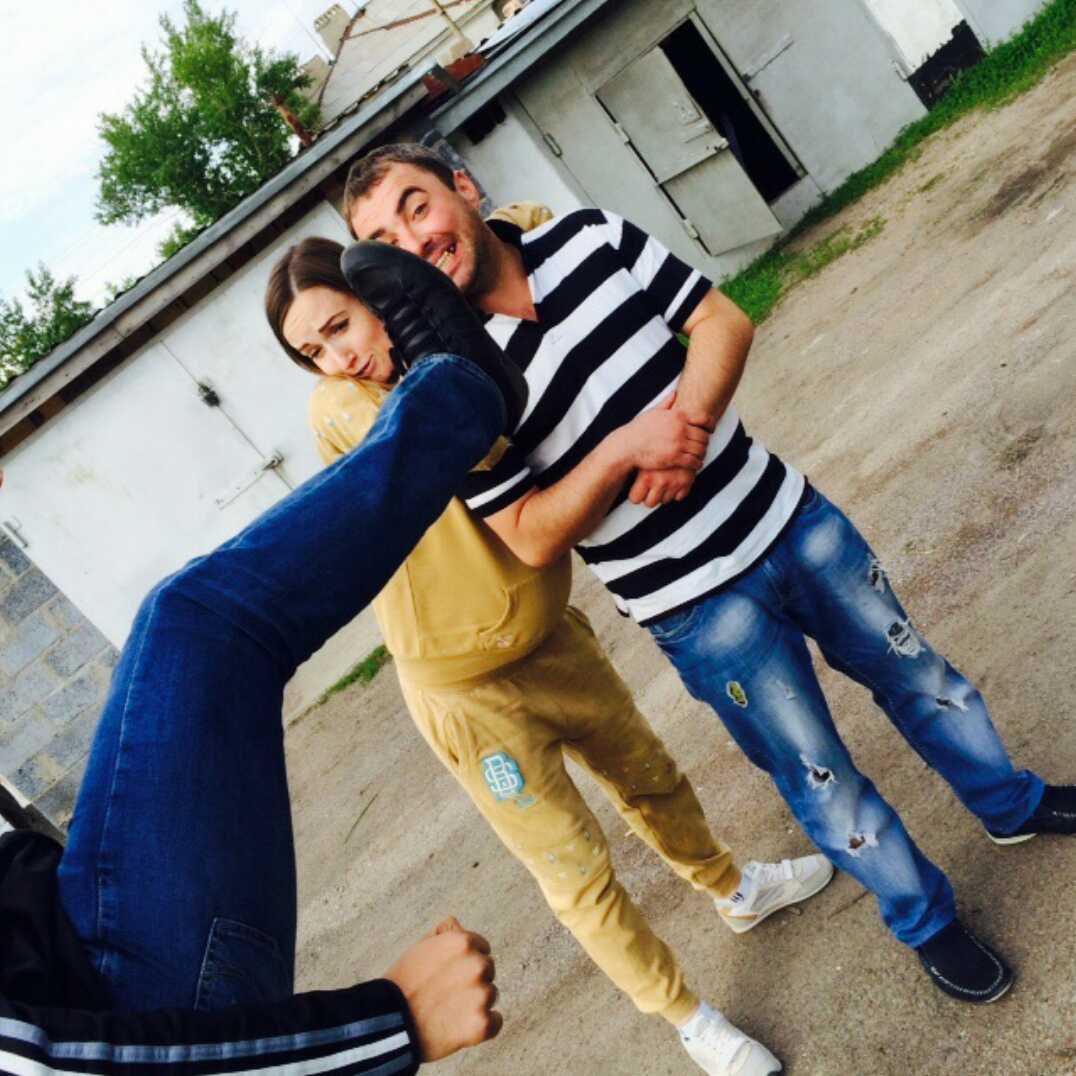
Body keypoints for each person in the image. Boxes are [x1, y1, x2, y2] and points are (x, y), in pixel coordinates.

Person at [341, 142, 1076, 1009]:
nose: (413, 241)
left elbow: (721, 321)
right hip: (694, 609)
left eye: (417, 206)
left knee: (921, 675)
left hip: (794, 521)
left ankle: (1009, 804)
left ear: (463, 188)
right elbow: (529, 535)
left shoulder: (590, 236)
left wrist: (683, 431)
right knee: (817, 772)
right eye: (384, 240)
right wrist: (624, 451)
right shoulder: (451, 387)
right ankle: (926, 920)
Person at [264, 221, 831, 1076]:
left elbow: (511, 254)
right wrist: (412, 358)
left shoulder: (459, 365)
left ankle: (732, 889)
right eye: (311, 351)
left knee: (650, 775)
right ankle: (688, 1019)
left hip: (548, 637)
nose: (336, 357)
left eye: (339, 326)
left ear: (379, 296)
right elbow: (399, 432)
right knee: (575, 867)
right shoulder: (347, 409)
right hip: (466, 695)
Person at [1, 299, 520, 1075]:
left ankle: (461, 397)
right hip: (124, 1014)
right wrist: (388, 1027)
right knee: (201, 623)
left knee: (187, 622)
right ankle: (463, 394)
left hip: (74, 926)